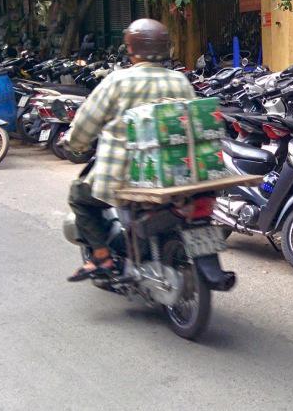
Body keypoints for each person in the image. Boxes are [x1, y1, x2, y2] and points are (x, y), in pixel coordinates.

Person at [63, 18, 196, 281]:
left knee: (79, 196)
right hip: (174, 172)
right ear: (165, 47)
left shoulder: (118, 81)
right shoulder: (180, 81)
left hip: (126, 176)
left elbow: (87, 121)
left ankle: (102, 257)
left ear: (131, 48)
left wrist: (74, 144)